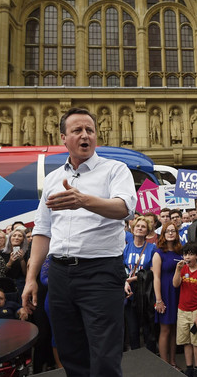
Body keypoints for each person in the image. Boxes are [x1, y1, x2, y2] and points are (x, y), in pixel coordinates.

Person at [22, 107, 137, 376]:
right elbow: (42, 231)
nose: (85, 135)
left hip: (101, 272)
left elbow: (124, 208)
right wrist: (31, 279)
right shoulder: (52, 179)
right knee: (70, 352)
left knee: (104, 355)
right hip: (59, 275)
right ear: (63, 137)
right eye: (77, 130)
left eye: (90, 130)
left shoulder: (115, 170)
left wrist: (82, 200)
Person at [173, 242, 197, 377]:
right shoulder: (182, 268)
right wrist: (177, 270)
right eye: (185, 254)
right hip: (182, 310)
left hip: (196, 310)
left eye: (190, 254)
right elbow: (175, 284)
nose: (187, 257)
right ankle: (188, 367)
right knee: (186, 341)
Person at [123, 216, 157, 352]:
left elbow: (153, 273)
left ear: (147, 231)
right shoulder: (126, 248)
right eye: (138, 226)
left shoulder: (152, 248)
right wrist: (125, 282)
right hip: (130, 295)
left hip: (145, 296)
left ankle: (152, 361)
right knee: (133, 332)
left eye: (143, 226)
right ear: (133, 228)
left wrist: (133, 279)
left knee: (148, 332)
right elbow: (122, 269)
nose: (140, 228)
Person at [152, 222, 182, 369]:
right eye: (167, 231)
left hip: (178, 293)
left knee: (175, 329)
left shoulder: (179, 251)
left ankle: (173, 362)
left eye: (173, 231)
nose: (171, 233)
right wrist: (158, 300)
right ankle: (164, 364)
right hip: (164, 293)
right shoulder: (159, 253)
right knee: (165, 329)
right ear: (163, 234)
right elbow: (156, 278)